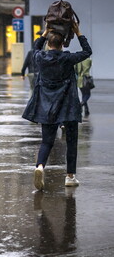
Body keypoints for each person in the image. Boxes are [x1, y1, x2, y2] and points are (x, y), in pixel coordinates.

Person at [22, 23, 92, 190]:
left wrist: (45, 31)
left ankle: (39, 166)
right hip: (68, 107)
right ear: (62, 45)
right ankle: (70, 176)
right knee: (71, 141)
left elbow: (35, 47)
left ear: (48, 44)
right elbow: (87, 52)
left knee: (47, 141)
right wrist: (78, 32)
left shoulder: (39, 57)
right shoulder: (67, 58)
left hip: (47, 107)